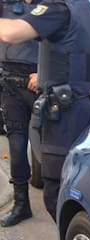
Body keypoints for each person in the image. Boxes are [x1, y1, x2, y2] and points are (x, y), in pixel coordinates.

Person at [0, 0, 90, 240]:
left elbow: (11, 33)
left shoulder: (59, 7)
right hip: (80, 105)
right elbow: (71, 56)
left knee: (56, 190)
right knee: (75, 186)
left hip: (65, 113)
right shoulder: (88, 10)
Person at [0, 0, 39, 228]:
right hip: (10, 84)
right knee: (16, 146)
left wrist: (45, 73)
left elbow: (64, 43)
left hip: (39, 82)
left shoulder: (51, 6)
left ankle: (61, 202)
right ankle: (21, 203)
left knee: (50, 149)